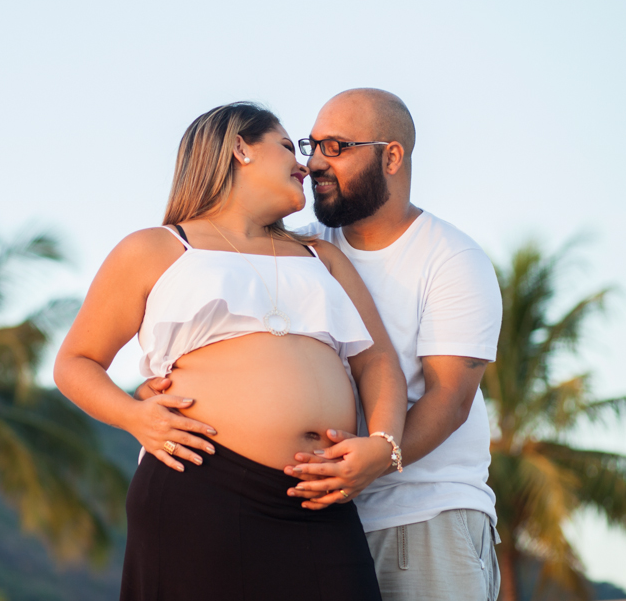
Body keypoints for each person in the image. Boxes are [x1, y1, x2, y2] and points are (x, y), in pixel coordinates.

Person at [145, 90, 504, 600]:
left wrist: (380, 458)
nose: (313, 163)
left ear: (392, 156)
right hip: (315, 514)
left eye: (335, 147)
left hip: (420, 512)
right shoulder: (303, 248)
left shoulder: (451, 258)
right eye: (311, 146)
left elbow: (450, 399)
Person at [53, 102, 407, 601]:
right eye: (287, 146)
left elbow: (378, 362)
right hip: (201, 487)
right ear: (240, 147)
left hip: (319, 501)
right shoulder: (156, 248)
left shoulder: (321, 255)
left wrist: (384, 445)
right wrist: (135, 417)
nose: (304, 164)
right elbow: (74, 362)